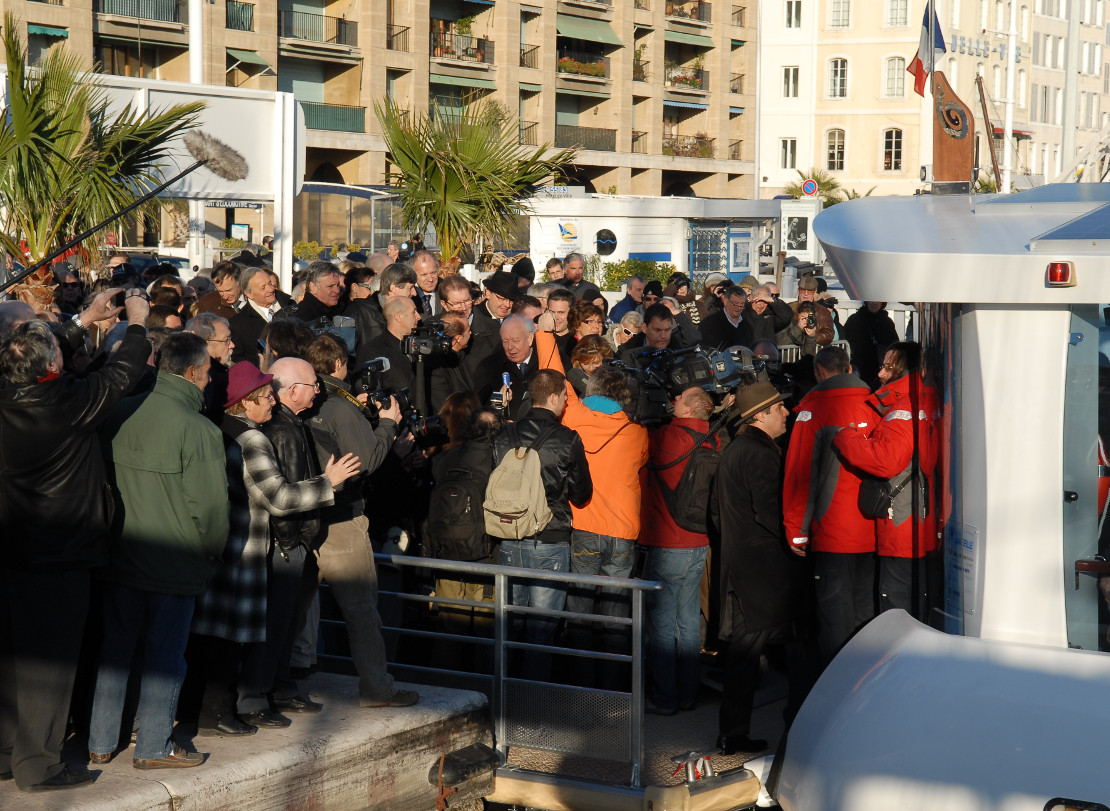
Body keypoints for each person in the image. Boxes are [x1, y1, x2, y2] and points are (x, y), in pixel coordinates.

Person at [0, 290, 148, 793]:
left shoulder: (9, 391)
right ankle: (38, 764)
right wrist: (138, 324)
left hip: (14, 548)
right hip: (60, 553)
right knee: (51, 662)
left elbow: (38, 351)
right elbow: (122, 373)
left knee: (13, 657)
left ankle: (5, 753)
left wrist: (85, 319)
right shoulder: (66, 402)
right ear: (51, 368)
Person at [186, 361, 357, 736]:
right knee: (228, 639)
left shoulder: (220, 428)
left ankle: (208, 711)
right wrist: (329, 482)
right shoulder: (252, 439)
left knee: (212, 636)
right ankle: (215, 715)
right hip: (244, 546)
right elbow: (279, 497)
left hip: (218, 543)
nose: (270, 401)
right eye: (264, 395)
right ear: (245, 403)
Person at [88, 332, 229, 770]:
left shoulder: (121, 412)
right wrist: (209, 556)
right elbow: (210, 511)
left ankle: (99, 742)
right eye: (206, 373)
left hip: (121, 555)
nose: (208, 382)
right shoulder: (200, 430)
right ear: (190, 373)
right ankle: (153, 745)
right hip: (174, 564)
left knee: (115, 652)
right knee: (165, 658)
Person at [302, 336, 419, 709]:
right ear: (339, 363)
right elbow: (367, 460)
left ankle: (288, 684)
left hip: (302, 516)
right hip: (342, 520)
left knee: (299, 609)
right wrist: (387, 424)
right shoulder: (338, 407)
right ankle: (377, 688)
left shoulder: (296, 402)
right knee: (362, 613)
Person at [535, 326, 648, 689]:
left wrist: (544, 333)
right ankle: (615, 694)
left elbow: (555, 377)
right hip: (623, 535)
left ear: (591, 390)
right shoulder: (637, 433)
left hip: (584, 526)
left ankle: (583, 692)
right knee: (616, 621)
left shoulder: (576, 417)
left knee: (580, 617)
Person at [715, 381, 813, 754]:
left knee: (748, 654)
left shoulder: (739, 449)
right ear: (759, 415)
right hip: (764, 572)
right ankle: (791, 729)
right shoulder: (758, 454)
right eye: (778, 409)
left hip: (746, 567)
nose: (786, 412)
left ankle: (734, 734)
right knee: (781, 648)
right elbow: (771, 512)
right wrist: (798, 541)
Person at [493, 369, 593, 681]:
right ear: (553, 397)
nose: (566, 402)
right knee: (541, 634)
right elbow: (582, 493)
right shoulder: (567, 438)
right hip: (550, 538)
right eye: (565, 396)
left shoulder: (503, 435)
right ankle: (531, 712)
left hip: (509, 535)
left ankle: (501, 704)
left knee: (508, 628)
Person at [782, 346, 877, 666]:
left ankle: (834, 694)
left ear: (819, 372)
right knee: (864, 616)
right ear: (850, 367)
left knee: (834, 619)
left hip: (831, 531)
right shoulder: (873, 405)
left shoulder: (813, 411)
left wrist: (796, 530)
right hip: (872, 528)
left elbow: (799, 474)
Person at [833, 341, 939, 619]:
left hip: (901, 523)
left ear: (905, 369)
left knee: (896, 611)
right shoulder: (929, 401)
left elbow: (885, 461)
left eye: (888, 367)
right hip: (922, 524)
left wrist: (848, 437)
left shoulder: (901, 411)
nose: (880, 374)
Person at [639, 386, 718, 715]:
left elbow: (641, 441)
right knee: (688, 623)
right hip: (699, 541)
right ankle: (687, 694)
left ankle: (664, 697)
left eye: (679, 399)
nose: (673, 401)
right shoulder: (710, 439)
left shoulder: (670, 438)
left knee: (662, 625)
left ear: (689, 409)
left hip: (669, 542)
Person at [360, 295, 419, 392]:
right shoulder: (373, 349)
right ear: (398, 316)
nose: (418, 317)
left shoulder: (418, 345)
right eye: (413, 312)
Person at [230, 267, 282, 363]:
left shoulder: (290, 306)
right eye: (263, 287)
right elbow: (238, 360)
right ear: (249, 294)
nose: (271, 289)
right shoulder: (238, 325)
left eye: (270, 283)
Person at [842, 301, 900, 386]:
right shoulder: (854, 320)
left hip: (879, 367)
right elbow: (847, 342)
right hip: (859, 367)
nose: (874, 303)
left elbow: (894, 345)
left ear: (882, 303)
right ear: (866, 301)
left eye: (878, 301)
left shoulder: (887, 322)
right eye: (871, 300)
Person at [699, 285, 753, 351]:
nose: (739, 308)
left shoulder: (747, 325)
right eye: (735, 304)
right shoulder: (709, 323)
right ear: (726, 301)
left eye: (742, 304)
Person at [792, 275, 836, 345]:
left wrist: (813, 336)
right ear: (798, 291)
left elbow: (829, 335)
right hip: (790, 354)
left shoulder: (823, 312)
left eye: (809, 291)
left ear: (814, 292)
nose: (806, 294)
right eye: (803, 290)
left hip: (814, 354)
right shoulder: (789, 308)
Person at [412, 250, 440, 318]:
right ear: (413, 274)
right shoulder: (409, 295)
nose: (430, 279)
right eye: (424, 275)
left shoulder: (446, 290)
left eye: (433, 273)